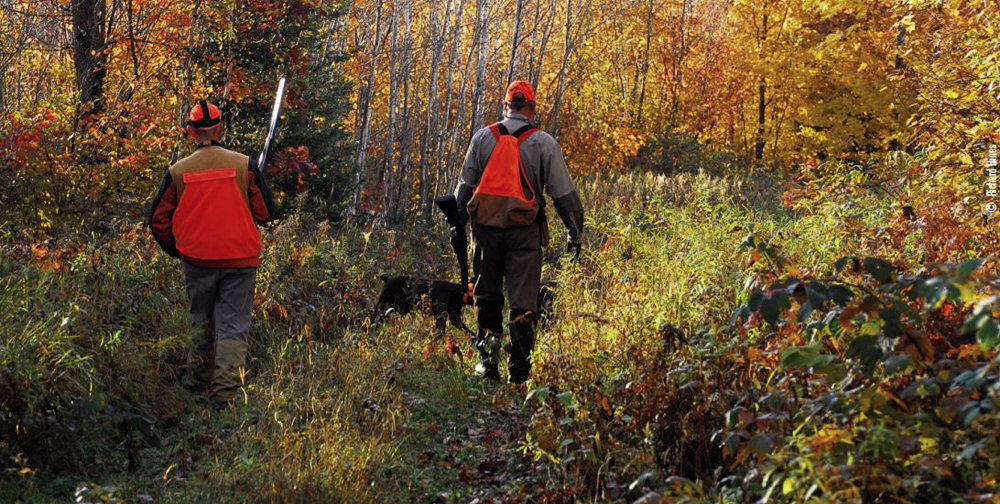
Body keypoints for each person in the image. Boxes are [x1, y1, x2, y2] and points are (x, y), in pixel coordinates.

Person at [454, 80, 584, 384]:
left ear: (505, 106)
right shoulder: (544, 143)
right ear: (532, 108)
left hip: (485, 231)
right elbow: (563, 195)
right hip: (525, 233)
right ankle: (520, 374)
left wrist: (457, 225)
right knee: (523, 303)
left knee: (486, 297)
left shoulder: (482, 138)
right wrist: (575, 234)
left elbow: (464, 188)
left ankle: (489, 366)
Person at [148, 100, 276, 407]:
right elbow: (266, 213)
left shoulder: (178, 171)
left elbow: (157, 220)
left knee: (201, 322)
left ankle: (195, 387)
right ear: (220, 128)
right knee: (233, 326)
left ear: (191, 132)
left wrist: (176, 249)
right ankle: (224, 397)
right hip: (240, 259)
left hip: (198, 261)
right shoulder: (244, 164)